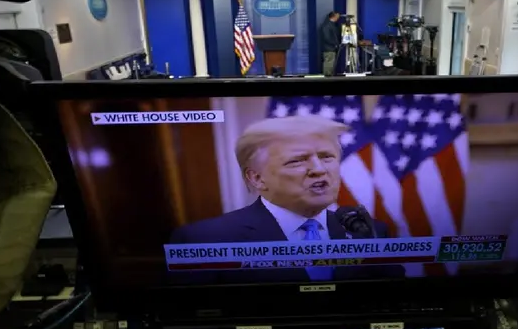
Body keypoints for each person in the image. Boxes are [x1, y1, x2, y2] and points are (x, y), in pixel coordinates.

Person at [169, 115, 400, 281]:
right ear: (257, 178)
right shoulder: (204, 240)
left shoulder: (369, 231)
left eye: (327, 157)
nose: (319, 169)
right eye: (298, 160)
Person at [320, 11, 341, 76]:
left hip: (332, 49)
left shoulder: (332, 25)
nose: (339, 17)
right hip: (329, 49)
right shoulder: (327, 25)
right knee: (328, 64)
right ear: (334, 16)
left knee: (331, 65)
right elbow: (327, 38)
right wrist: (335, 44)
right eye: (337, 16)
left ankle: (330, 76)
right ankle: (327, 78)